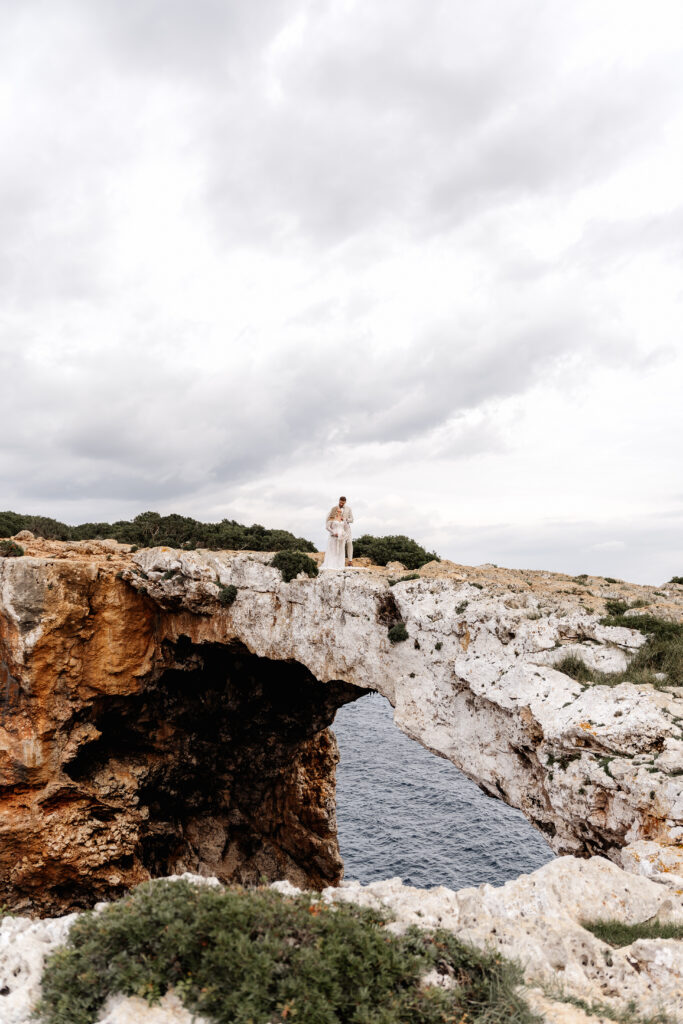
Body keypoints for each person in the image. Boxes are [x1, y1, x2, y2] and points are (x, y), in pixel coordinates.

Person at [326, 495, 354, 566]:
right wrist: (332, 530)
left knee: (349, 542)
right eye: (340, 502)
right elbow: (328, 518)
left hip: (346, 528)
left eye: (343, 503)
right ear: (339, 501)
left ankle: (350, 561)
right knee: (339, 544)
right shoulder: (334, 508)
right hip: (337, 527)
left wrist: (345, 519)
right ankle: (338, 561)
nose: (341, 504)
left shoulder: (348, 509)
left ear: (345, 502)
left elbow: (352, 520)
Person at [320, 506, 346, 571]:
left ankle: (340, 565)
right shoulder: (332, 518)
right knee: (333, 550)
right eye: (338, 511)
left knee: (340, 550)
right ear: (335, 511)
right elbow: (327, 527)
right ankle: (332, 565)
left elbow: (343, 527)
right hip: (334, 536)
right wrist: (333, 532)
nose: (339, 512)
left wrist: (343, 533)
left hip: (341, 537)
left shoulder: (342, 518)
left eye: (340, 511)